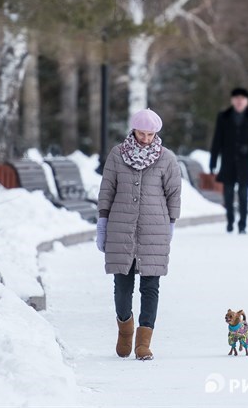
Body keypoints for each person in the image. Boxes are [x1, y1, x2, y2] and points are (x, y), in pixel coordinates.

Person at [95, 108, 181, 361]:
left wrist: (171, 223)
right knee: (122, 285)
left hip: (154, 229)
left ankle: (144, 342)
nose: (145, 139)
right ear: (133, 131)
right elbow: (107, 189)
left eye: (150, 134)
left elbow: (174, 193)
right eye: (141, 134)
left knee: (150, 287)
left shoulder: (166, 159)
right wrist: (102, 222)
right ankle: (125, 331)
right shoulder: (116, 155)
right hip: (121, 227)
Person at [209, 88, 248, 234]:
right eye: (237, 98)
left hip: (245, 162)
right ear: (232, 100)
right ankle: (230, 220)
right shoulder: (223, 117)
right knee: (227, 193)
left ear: (247, 101)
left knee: (243, 194)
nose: (239, 101)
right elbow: (217, 140)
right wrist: (213, 161)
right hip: (228, 161)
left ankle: (243, 223)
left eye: (242, 99)